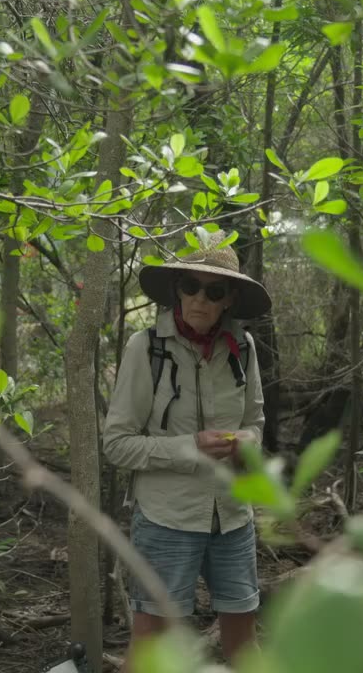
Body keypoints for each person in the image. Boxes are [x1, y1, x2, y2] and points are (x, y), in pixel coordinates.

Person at [103, 233, 270, 670]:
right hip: (166, 517)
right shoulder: (146, 348)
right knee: (151, 644)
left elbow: (255, 422)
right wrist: (189, 447)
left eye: (213, 291)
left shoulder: (243, 348)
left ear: (230, 298)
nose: (200, 299)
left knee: (243, 639)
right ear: (177, 289)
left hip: (233, 516)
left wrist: (249, 444)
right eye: (190, 287)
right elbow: (116, 444)